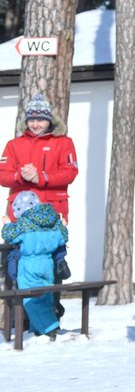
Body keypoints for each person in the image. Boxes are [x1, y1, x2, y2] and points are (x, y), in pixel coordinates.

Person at [1, 93, 79, 223]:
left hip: (52, 207)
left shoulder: (64, 143)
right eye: (31, 120)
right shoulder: (13, 145)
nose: (35, 125)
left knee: (52, 242)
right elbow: (2, 175)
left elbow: (70, 173)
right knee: (20, 243)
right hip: (21, 209)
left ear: (49, 121)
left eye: (40, 120)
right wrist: (20, 177)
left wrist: (41, 178)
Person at [1, 190, 67, 339]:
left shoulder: (25, 223)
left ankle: (51, 328)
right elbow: (63, 236)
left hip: (30, 265)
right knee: (46, 296)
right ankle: (37, 331)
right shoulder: (51, 220)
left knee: (31, 301)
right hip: (47, 264)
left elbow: (9, 236)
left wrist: (7, 225)